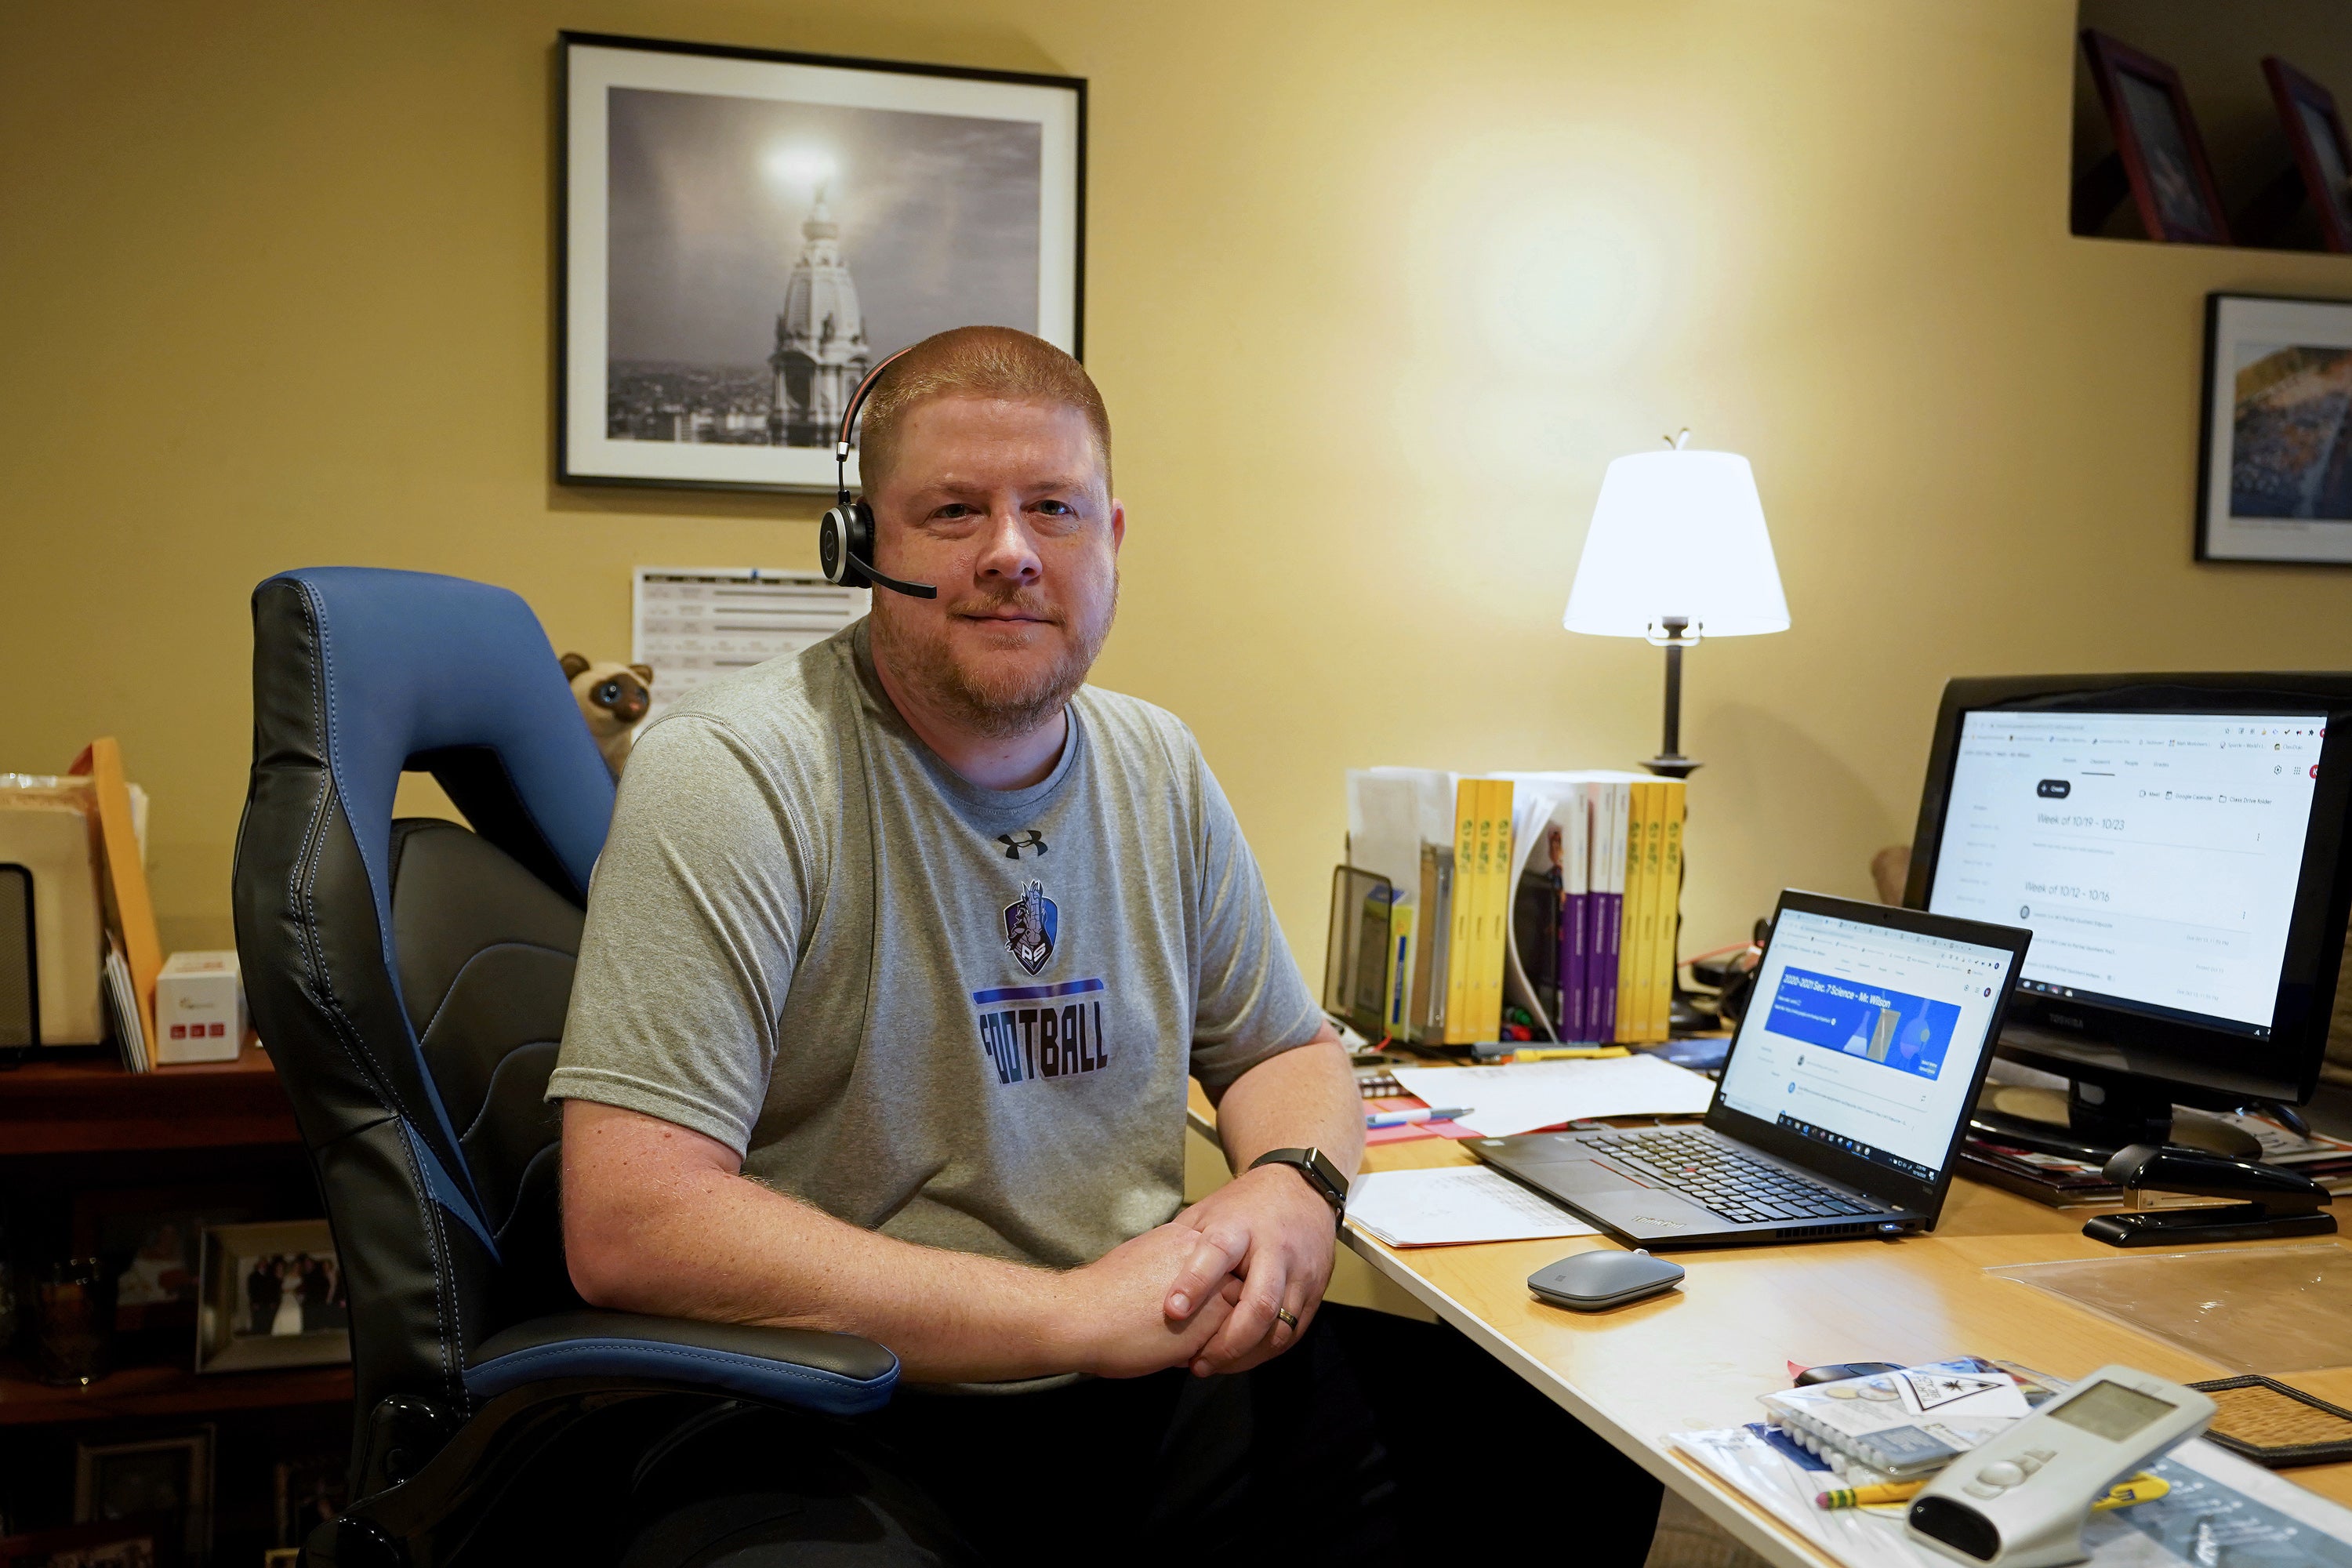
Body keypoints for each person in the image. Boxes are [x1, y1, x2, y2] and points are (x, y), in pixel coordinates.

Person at [550, 326, 1659, 1566]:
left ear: (1112, 541)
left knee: (1562, 1443)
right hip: (842, 1400)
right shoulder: (734, 774)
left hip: (1140, 1380)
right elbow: (633, 1220)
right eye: (954, 511)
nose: (1012, 552)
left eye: (1055, 509)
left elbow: (1285, 1049)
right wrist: (1070, 1314)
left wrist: (1295, 1185)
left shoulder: (1155, 765)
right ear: (862, 547)